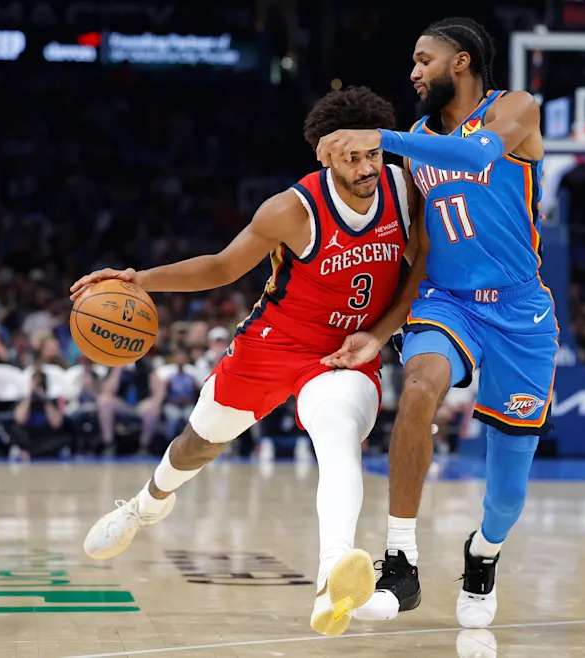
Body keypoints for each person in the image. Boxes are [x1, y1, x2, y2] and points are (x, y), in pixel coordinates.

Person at [70, 86, 427, 637]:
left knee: (337, 439)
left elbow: (418, 270)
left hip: (346, 353)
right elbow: (219, 268)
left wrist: (379, 335)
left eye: (372, 154)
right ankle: (147, 504)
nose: (365, 167)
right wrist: (137, 279)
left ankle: (333, 576)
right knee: (198, 442)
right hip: (272, 344)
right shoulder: (290, 209)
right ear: (325, 155)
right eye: (351, 157)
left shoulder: (404, 189)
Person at [316, 17, 555, 628]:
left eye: (424, 59)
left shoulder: (516, 109)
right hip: (448, 302)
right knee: (420, 384)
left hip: (521, 314)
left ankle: (484, 551)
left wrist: (380, 136)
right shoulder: (419, 142)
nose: (414, 71)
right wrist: (380, 326)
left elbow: (476, 155)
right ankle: (402, 556)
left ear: (462, 62)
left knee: (507, 494)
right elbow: (419, 252)